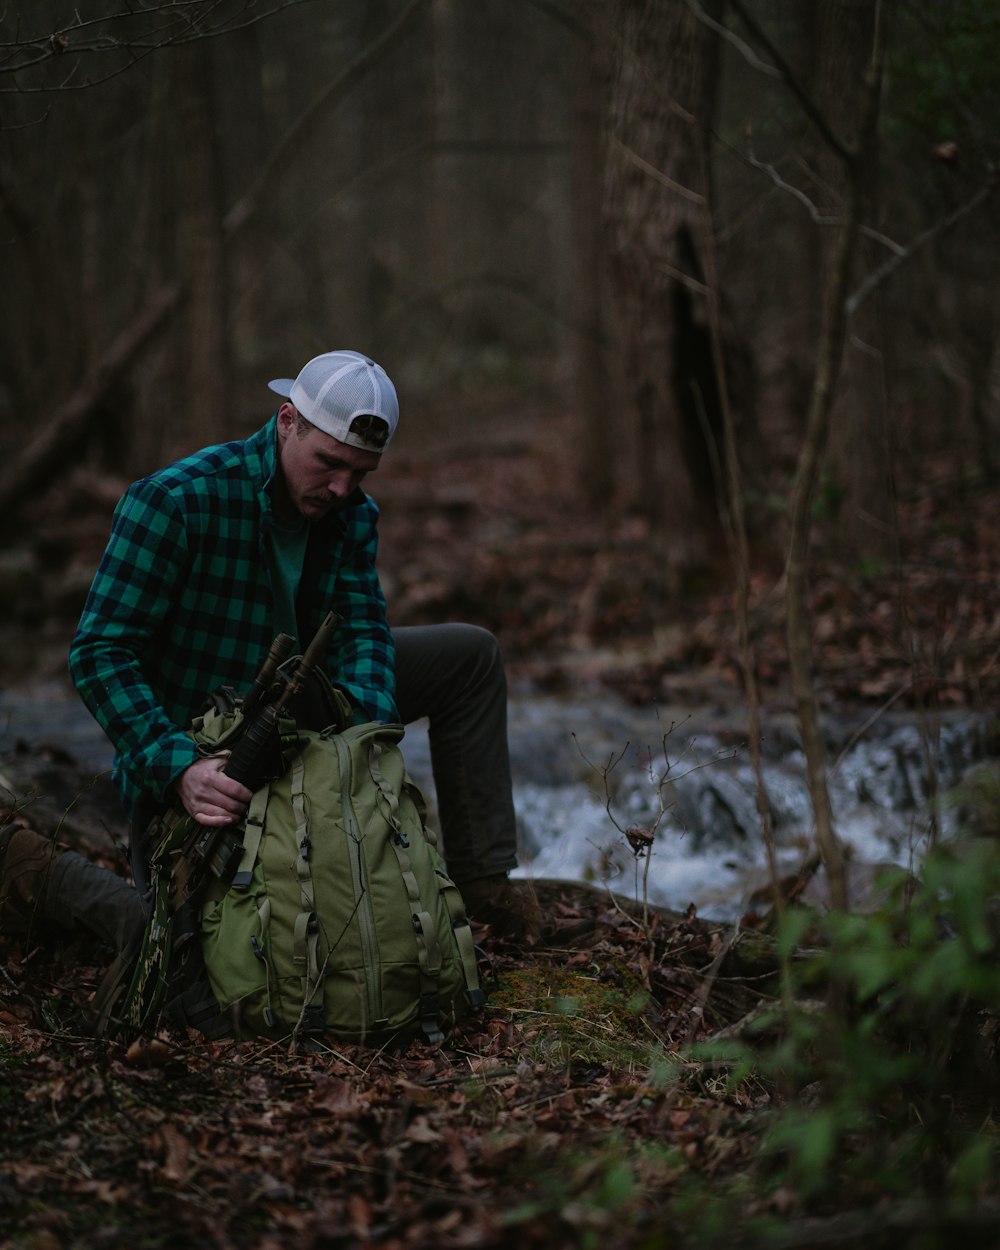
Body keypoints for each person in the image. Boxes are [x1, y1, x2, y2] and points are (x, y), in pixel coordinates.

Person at [0, 350, 541, 1023]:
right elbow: (99, 652)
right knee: (202, 973)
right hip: (206, 752)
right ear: (288, 421)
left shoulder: (352, 514)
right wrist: (178, 768)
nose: (344, 489)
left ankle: (485, 882)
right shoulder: (174, 501)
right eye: (331, 465)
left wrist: (362, 744)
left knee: (470, 656)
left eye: (361, 473)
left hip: (304, 709)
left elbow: (364, 635)